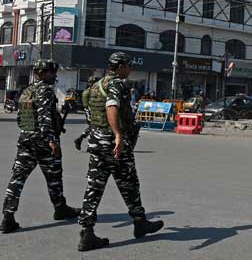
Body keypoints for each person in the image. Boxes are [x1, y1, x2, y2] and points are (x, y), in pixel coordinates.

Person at [77, 52, 163, 252]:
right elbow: (112, 107)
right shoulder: (117, 84)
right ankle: (140, 222)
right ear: (120, 66)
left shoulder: (96, 86)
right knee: (130, 183)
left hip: (97, 143)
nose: (130, 69)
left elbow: (90, 116)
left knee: (94, 188)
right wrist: (118, 134)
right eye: (128, 65)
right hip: (113, 145)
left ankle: (86, 232)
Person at [0, 60, 80, 233]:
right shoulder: (44, 91)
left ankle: (7, 217)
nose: (55, 75)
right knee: (54, 177)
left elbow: (22, 119)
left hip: (26, 139)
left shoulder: (26, 91)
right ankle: (60, 208)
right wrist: (51, 140)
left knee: (17, 179)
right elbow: (45, 118)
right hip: (43, 142)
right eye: (52, 72)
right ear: (42, 73)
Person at [75, 76, 101, 151]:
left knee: (92, 127)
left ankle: (81, 139)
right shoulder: (90, 91)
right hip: (91, 111)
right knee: (93, 127)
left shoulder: (88, 91)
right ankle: (87, 143)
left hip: (90, 111)